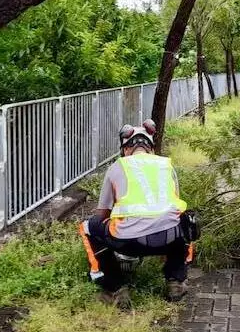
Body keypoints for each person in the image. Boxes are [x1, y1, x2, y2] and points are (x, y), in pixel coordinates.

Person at [78, 119, 192, 305]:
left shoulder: (117, 166)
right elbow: (174, 208)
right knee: (186, 221)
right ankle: (176, 281)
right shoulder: (166, 165)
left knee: (88, 227)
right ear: (151, 149)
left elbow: (102, 214)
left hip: (129, 242)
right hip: (169, 239)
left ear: (125, 149)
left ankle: (115, 289)